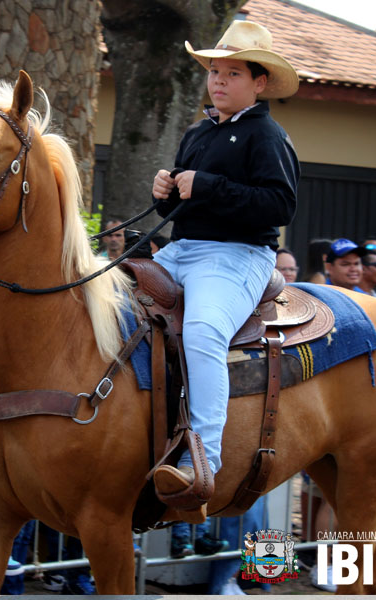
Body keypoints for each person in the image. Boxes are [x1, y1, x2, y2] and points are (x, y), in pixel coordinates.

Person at [148, 20, 299, 504]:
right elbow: (185, 208)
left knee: (202, 332)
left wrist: (206, 185)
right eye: (215, 71)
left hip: (239, 255)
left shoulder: (268, 135)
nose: (218, 81)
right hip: (182, 249)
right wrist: (166, 195)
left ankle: (202, 459)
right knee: (108, 305)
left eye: (232, 73)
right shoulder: (198, 132)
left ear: (259, 82)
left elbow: (280, 206)